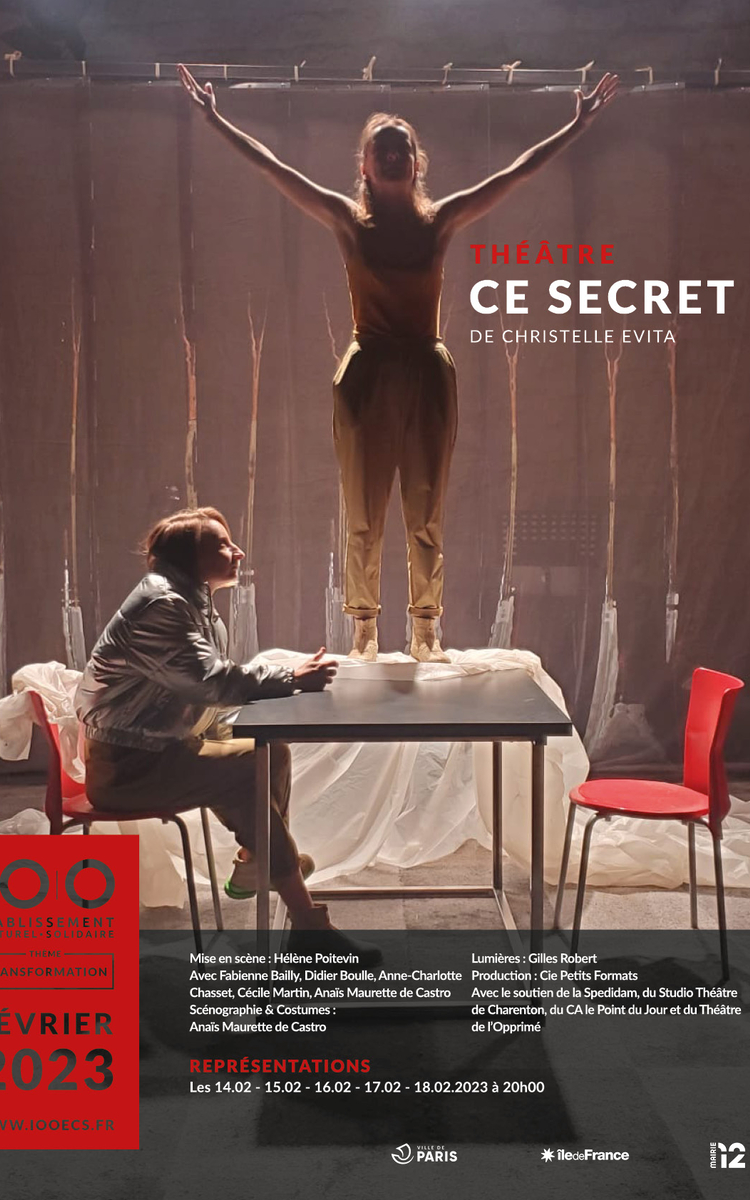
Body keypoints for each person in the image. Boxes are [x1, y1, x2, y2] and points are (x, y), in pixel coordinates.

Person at [178, 66, 617, 662]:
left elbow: (516, 173)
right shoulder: (348, 221)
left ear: (417, 163)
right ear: (364, 165)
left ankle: (425, 626)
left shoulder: (438, 221)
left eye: (401, 148)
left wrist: (576, 126)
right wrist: (214, 119)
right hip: (368, 372)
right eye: (381, 149)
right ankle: (363, 625)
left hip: (426, 370)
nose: (391, 156)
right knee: (363, 509)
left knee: (425, 506)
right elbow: (274, 169)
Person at [75, 505, 381, 964]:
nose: (237, 551)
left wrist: (288, 677)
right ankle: (307, 921)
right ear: (189, 557)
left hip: (159, 749)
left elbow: (210, 682)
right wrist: (291, 677)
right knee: (248, 771)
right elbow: (211, 682)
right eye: (222, 544)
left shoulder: (190, 602)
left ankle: (258, 861)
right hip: (128, 768)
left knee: (271, 752)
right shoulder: (163, 606)